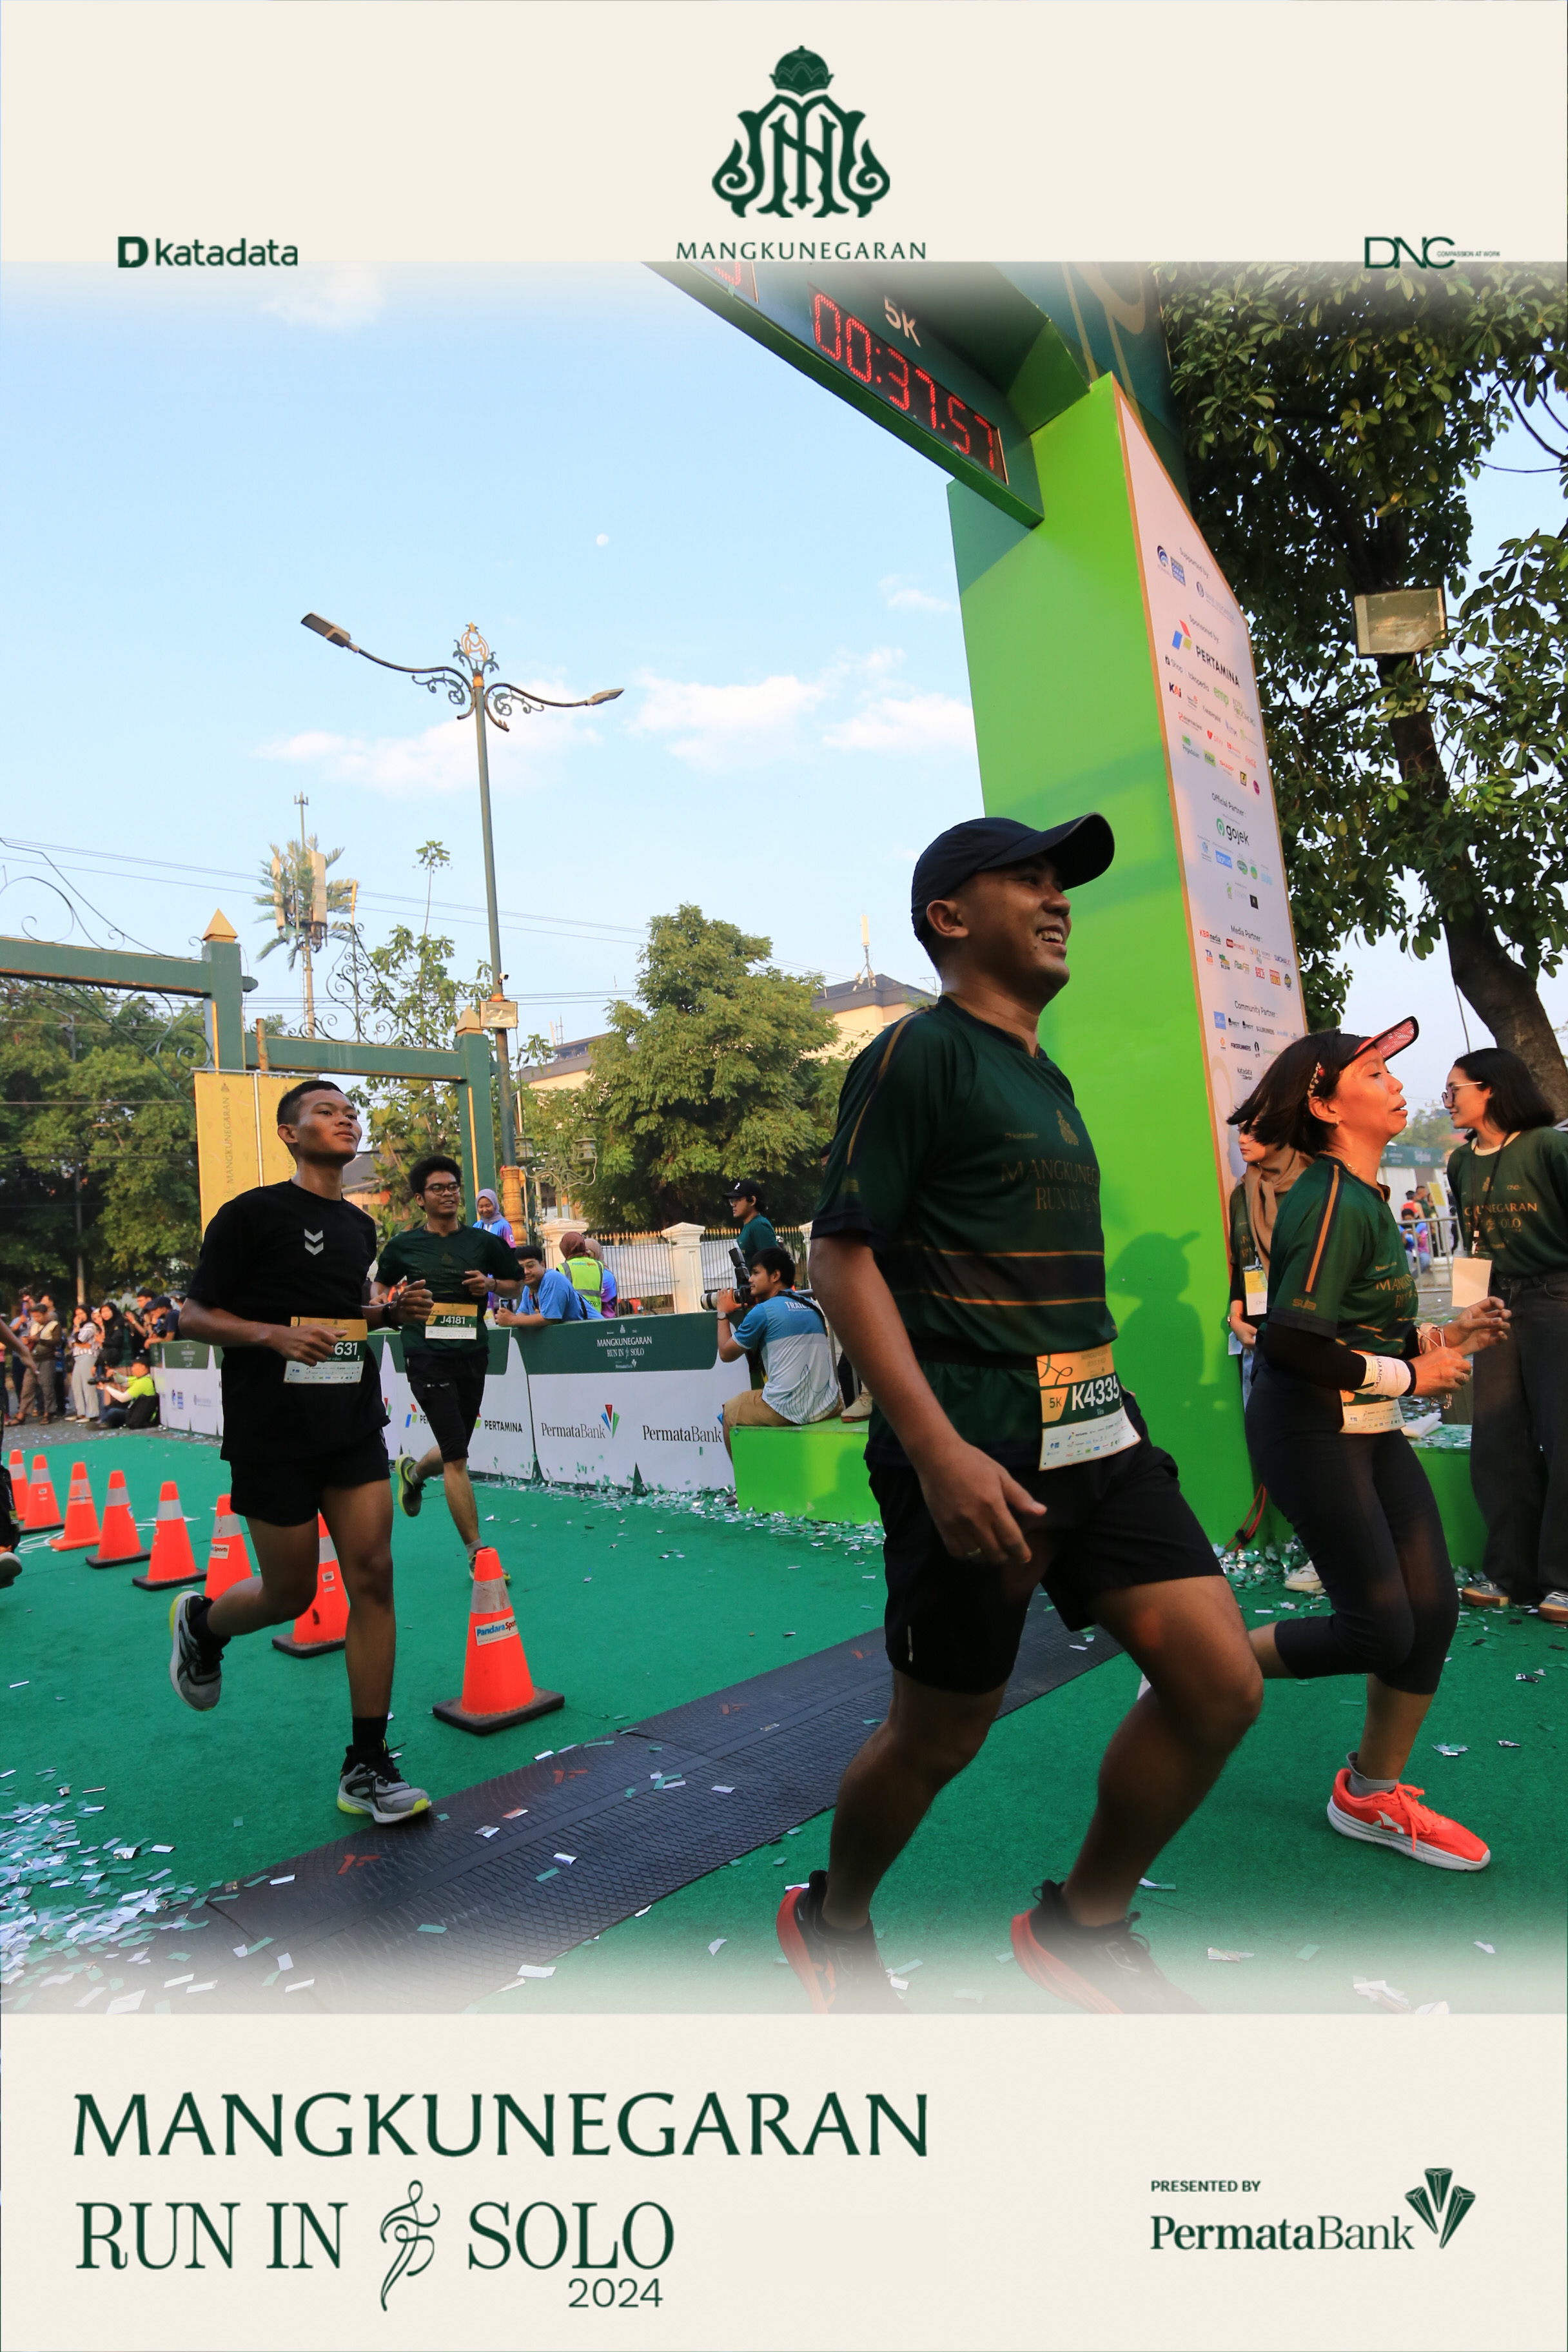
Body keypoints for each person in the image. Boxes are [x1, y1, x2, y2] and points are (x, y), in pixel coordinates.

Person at [783, 812, 1264, 2015]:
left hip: (1101, 1429)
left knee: (1219, 1684)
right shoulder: (917, 1051)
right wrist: (936, 1451)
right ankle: (831, 1921)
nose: (1059, 900)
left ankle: (1079, 1927)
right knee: (940, 1736)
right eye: (1029, 880)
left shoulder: (1042, 1071)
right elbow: (839, 1254)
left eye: (1063, 883)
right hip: (977, 1445)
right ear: (949, 917)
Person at [1232, 1020, 1509, 1870]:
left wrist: (1441, 1337)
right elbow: (1290, 1343)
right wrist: (1410, 1375)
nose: (1397, 1085)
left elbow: (1364, 1330)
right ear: (1324, 1105)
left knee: (1431, 1612)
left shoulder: (1366, 1194)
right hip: (1308, 1429)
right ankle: (1198, 1664)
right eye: (1374, 1073)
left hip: (1365, 1426)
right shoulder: (1326, 1199)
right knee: (1380, 1628)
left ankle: (1368, 1794)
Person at [170, 1080, 436, 1825]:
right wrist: (272, 1336)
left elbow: (339, 1315)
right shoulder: (250, 1214)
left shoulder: (357, 1226)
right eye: (325, 1111)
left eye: (350, 1110)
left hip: (349, 1421)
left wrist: (387, 1312)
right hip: (272, 1430)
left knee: (373, 1578)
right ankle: (203, 1625)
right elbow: (192, 1316)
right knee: (290, 1594)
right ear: (289, 1134)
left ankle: (366, 1764)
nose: (345, 1117)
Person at [1444, 1046, 1568, 1622]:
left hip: (1557, 1297)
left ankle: (1561, 1579)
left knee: (1563, 1435)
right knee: (1497, 1438)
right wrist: (1467, 1315)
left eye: (1455, 1089)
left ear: (1490, 1088)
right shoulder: (1460, 1162)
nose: (1448, 1100)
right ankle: (1510, 1574)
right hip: (1494, 1303)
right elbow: (1471, 1241)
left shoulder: (1549, 1147)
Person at [375, 1155, 523, 1567]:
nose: (448, 1194)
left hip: (472, 1354)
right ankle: (478, 1553)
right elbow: (379, 1289)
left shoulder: (483, 1243)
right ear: (420, 1199)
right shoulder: (403, 1246)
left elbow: (515, 1285)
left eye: (453, 1186)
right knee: (457, 1456)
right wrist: (391, 1301)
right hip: (425, 1355)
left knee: (455, 1444)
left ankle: (413, 1473)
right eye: (437, 1188)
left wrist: (491, 1284)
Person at [716, 1245, 841, 1454]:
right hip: (829, 1405)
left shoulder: (763, 1311)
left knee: (729, 1412)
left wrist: (722, 1313)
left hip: (788, 1410)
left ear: (775, 1276)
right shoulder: (813, 1307)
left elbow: (725, 1353)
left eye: (756, 1273)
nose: (750, 1280)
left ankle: (743, 1475)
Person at [496, 1242, 596, 1326]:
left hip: (595, 1332)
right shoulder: (528, 1289)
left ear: (543, 1265)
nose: (526, 1272)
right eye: (521, 1268)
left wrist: (512, 1320)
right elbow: (522, 1314)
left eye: (530, 1266)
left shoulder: (553, 1279)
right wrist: (513, 1318)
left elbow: (550, 1319)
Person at [17, 1297, 59, 1424]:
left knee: (47, 1386)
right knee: (27, 1386)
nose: (36, 1319)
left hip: (47, 1359)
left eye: (39, 1316)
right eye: (34, 1316)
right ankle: (22, 1414)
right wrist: (28, 1341)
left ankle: (48, 1412)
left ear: (46, 1314)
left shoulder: (54, 1325)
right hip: (34, 1359)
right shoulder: (34, 1326)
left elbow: (57, 1342)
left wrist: (40, 1340)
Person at [98, 1357, 160, 1430]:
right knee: (108, 1407)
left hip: (139, 1416)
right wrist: (115, 1374)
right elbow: (124, 1381)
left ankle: (103, 1425)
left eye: (134, 1366)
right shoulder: (142, 1378)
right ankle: (103, 1423)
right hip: (135, 1411)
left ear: (143, 1367)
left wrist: (106, 1387)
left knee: (112, 1413)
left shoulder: (143, 1382)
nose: (132, 1369)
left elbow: (122, 1398)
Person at [725, 1181, 778, 1267]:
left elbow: (774, 1264)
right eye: (732, 1201)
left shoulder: (759, 1226)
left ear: (753, 1201)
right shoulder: (749, 1226)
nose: (733, 1205)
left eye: (738, 1200)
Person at [68, 1307, 101, 1419]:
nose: (79, 1316)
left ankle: (93, 1413)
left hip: (88, 1356)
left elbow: (80, 1339)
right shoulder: (78, 1328)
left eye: (82, 1313)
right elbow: (71, 1342)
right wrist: (77, 1342)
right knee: (76, 1385)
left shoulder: (90, 1326)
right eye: (77, 1314)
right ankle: (81, 1412)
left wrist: (77, 1339)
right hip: (78, 1357)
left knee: (88, 1385)